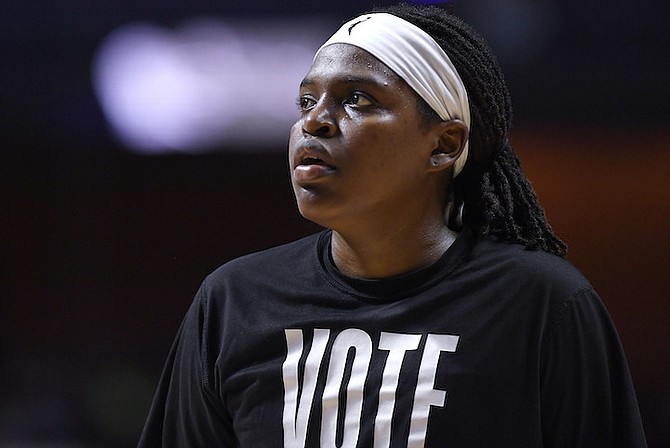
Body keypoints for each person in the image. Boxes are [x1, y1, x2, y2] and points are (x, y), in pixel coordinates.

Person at [137, 3, 647, 447]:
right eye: (306, 101)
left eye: (358, 100)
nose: (314, 122)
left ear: (443, 145)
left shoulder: (542, 303)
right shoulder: (234, 300)